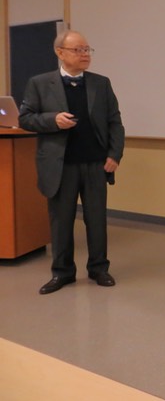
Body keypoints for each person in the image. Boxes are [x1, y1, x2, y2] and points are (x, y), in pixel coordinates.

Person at [19, 29, 124, 295]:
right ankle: (62, 272)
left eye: (87, 49)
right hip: (60, 166)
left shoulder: (101, 83)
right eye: (78, 50)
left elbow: (115, 122)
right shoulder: (39, 83)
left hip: (95, 164)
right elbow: (25, 119)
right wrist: (52, 120)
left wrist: (114, 154)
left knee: (97, 220)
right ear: (60, 52)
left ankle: (99, 268)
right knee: (61, 221)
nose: (85, 54)